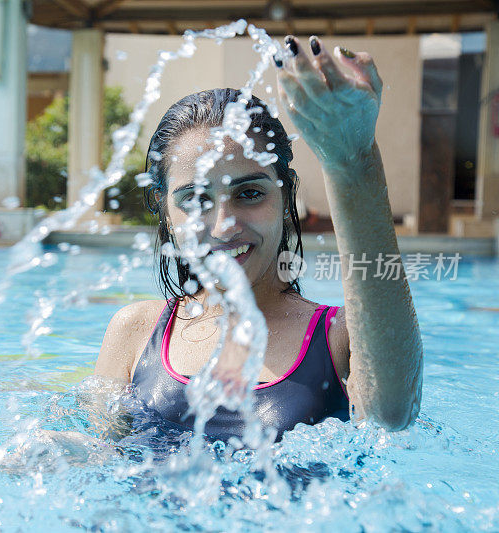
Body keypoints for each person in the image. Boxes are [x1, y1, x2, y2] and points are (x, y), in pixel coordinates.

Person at [94, 35, 423, 442]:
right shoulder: (136, 331)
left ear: (286, 199)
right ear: (164, 209)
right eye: (195, 199)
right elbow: (99, 455)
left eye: (249, 194)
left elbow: (394, 414)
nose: (223, 226)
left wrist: (352, 161)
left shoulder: (338, 337)